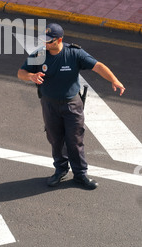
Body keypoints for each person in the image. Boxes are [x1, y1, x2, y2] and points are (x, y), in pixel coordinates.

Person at [17, 23, 125, 190]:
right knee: (55, 138)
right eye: (44, 40)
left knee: (75, 140)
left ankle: (80, 175)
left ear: (59, 40)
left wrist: (114, 80)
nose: (45, 44)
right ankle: (60, 170)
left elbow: (98, 66)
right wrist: (31, 76)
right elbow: (20, 72)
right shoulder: (39, 55)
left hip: (72, 104)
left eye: (49, 41)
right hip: (49, 104)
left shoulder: (74, 53)